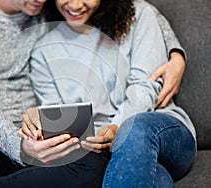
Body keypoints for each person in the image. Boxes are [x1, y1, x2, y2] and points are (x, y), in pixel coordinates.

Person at [0, 0, 188, 187]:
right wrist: (20, 146)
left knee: (91, 168)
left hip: (31, 132)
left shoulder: (46, 10)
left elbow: (136, 11)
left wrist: (176, 54)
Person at [20, 0, 196, 187]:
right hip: (103, 151)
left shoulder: (138, 15)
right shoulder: (44, 50)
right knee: (157, 180)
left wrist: (115, 128)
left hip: (160, 132)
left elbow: (145, 86)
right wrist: (39, 117)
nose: (76, 5)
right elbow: (62, 120)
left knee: (133, 128)